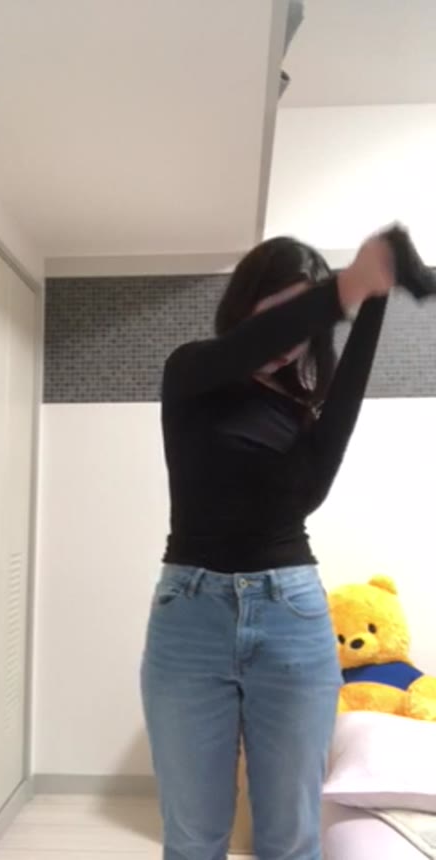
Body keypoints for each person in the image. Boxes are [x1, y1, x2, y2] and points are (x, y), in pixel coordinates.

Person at [141, 233, 395, 860]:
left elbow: (309, 494)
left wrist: (374, 303)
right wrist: (344, 288)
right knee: (193, 838)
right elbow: (250, 346)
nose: (292, 333)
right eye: (282, 309)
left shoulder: (299, 411)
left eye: (306, 320)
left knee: (290, 840)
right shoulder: (192, 371)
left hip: (292, 616)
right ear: (246, 303)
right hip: (190, 618)